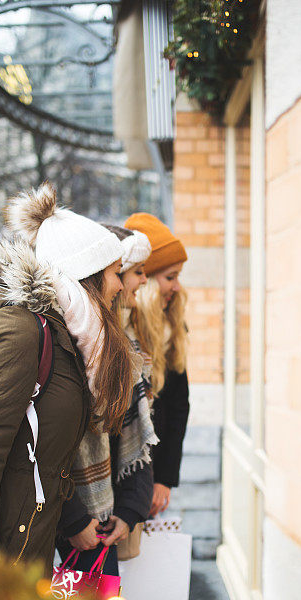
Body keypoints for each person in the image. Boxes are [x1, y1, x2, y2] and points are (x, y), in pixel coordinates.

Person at [0, 183, 133, 576]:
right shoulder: (21, 333)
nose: (121, 286)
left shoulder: (70, 343)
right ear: (88, 275)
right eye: (115, 274)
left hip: (21, 550)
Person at [56, 226, 156, 570]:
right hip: (68, 517)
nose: (143, 281)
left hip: (101, 513)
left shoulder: (116, 343)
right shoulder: (65, 343)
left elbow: (129, 430)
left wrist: (130, 508)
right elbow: (44, 447)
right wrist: (72, 519)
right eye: (130, 272)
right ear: (94, 276)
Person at [124, 213, 190, 517]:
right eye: (170, 277)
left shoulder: (173, 327)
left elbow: (178, 406)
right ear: (146, 280)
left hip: (154, 473)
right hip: (124, 473)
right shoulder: (123, 331)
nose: (176, 287)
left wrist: (164, 479)